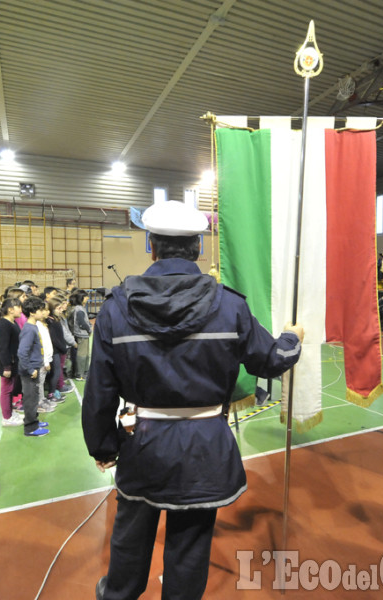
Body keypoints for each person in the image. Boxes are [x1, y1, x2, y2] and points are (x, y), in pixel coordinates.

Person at [82, 200, 304, 600]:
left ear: (151, 245)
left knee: (130, 539)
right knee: (189, 549)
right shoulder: (230, 306)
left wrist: (104, 446)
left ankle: (118, 594)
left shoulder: (116, 310)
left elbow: (100, 390)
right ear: (199, 248)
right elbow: (271, 361)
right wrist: (292, 337)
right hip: (205, 448)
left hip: (143, 444)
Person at [17, 296, 51, 437]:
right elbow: (22, 352)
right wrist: (30, 369)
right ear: (32, 312)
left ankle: (34, 420)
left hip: (34, 369)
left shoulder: (33, 326)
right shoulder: (30, 329)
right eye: (40, 310)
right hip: (30, 371)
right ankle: (30, 428)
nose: (42, 312)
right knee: (30, 399)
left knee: (34, 397)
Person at [0, 297, 24, 427]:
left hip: (14, 362)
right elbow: (3, 348)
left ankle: (11, 413)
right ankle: (6, 417)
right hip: (6, 364)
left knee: (11, 389)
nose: (21, 310)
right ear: (11, 310)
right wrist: (6, 367)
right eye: (19, 307)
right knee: (6, 390)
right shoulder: (4, 325)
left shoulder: (13, 322)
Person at [69, 288, 92, 379]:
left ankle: (85, 372)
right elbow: (82, 323)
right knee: (82, 355)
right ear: (81, 298)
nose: (87, 298)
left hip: (84, 335)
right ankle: (80, 374)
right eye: (86, 297)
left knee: (86, 354)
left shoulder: (80, 308)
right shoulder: (79, 309)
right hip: (81, 335)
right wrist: (89, 329)